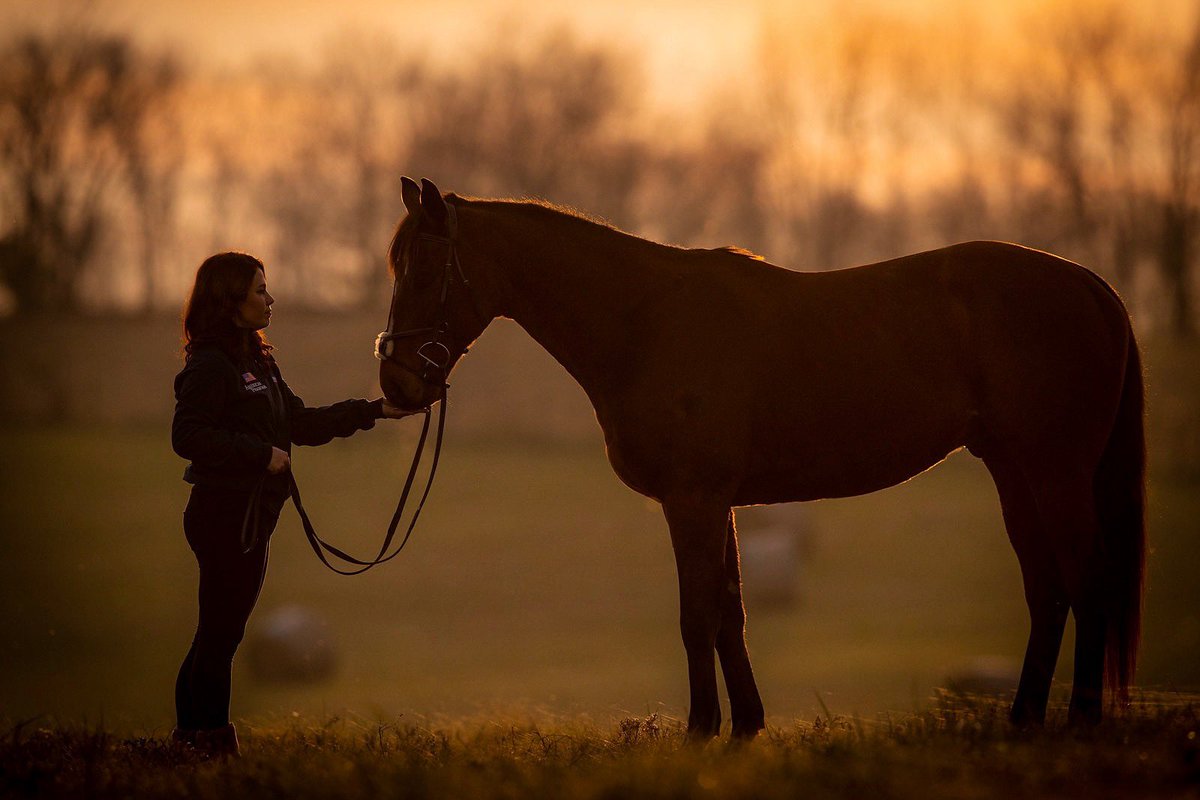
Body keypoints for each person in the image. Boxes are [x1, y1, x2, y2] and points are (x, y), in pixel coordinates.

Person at [170, 251, 411, 757]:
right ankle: (208, 745)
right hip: (224, 516)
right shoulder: (212, 365)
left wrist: (375, 411)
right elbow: (187, 435)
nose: (270, 299)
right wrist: (261, 455)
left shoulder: (256, 360)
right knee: (221, 634)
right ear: (231, 301)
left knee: (219, 632)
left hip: (251, 516)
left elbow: (298, 423)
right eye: (259, 290)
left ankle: (191, 741)